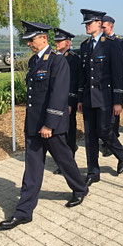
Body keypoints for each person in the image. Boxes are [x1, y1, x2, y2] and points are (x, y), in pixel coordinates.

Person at [0, 22, 88, 231]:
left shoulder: (57, 62)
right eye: (27, 40)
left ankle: (80, 188)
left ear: (44, 38)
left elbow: (58, 95)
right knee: (32, 169)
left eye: (32, 39)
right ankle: (23, 212)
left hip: (50, 126)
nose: (29, 43)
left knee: (65, 161)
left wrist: (49, 124)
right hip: (34, 125)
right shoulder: (33, 62)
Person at [77, 9, 123, 186]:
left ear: (99, 23)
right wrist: (80, 98)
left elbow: (118, 73)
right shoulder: (85, 46)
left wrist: (118, 101)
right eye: (85, 24)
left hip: (105, 97)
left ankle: (122, 153)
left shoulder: (111, 45)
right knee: (90, 136)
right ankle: (93, 171)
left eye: (89, 23)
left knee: (105, 131)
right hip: (89, 97)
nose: (87, 26)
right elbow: (83, 75)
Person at [53, 28, 81, 175]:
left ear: (68, 42)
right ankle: (65, 157)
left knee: (68, 131)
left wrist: (70, 102)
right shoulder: (55, 57)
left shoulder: (73, 58)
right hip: (57, 100)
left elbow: (74, 81)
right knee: (59, 132)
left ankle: (68, 163)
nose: (56, 43)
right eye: (56, 41)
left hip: (68, 100)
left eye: (59, 41)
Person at [100, 15, 123, 156]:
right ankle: (107, 141)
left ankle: (113, 139)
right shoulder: (101, 42)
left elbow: (122, 64)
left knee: (113, 116)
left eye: (104, 27)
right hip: (104, 85)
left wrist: (121, 85)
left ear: (111, 27)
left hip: (115, 83)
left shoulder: (118, 41)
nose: (102, 29)